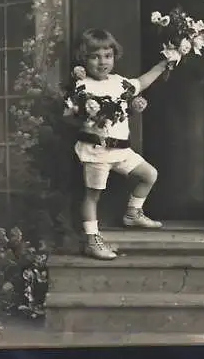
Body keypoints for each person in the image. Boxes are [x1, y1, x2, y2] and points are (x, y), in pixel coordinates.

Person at [65, 29, 168, 260]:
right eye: (95, 56)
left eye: (107, 56)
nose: (102, 62)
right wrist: (79, 111)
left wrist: (161, 67)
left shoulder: (120, 83)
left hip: (121, 150)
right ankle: (92, 240)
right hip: (97, 151)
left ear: (114, 57)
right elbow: (68, 113)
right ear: (84, 59)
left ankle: (133, 213)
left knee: (149, 175)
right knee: (93, 196)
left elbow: (142, 82)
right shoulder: (83, 86)